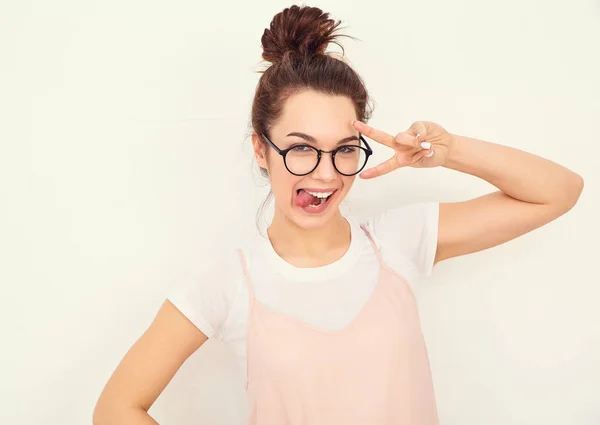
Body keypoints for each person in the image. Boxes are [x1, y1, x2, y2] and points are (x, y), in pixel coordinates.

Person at [92, 5, 584, 425]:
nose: (325, 175)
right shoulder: (226, 282)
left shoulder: (399, 242)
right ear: (261, 150)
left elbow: (558, 192)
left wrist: (448, 151)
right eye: (301, 150)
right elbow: (117, 407)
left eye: (345, 150)